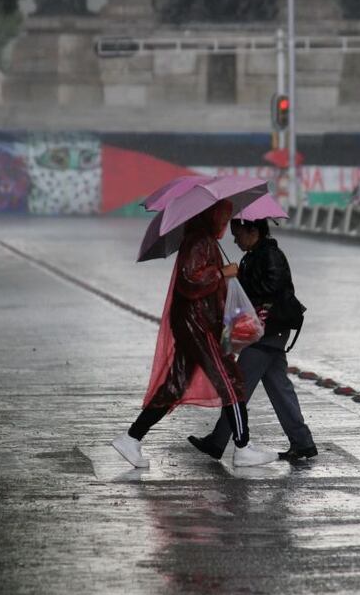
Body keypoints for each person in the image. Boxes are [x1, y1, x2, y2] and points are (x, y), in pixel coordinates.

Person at [113, 200, 278, 469]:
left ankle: (131, 438)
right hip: (199, 324)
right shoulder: (199, 241)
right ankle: (243, 446)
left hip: (194, 323)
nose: (225, 224)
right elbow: (190, 280)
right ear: (210, 215)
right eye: (222, 217)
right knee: (231, 380)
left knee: (175, 384)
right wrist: (221, 273)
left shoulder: (203, 240)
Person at [188, 218, 316, 462]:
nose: (235, 240)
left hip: (268, 331)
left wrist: (240, 278)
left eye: (239, 235)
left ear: (253, 231)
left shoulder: (271, 255)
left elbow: (272, 286)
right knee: (280, 389)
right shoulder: (254, 255)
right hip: (268, 333)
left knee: (237, 386)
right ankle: (302, 442)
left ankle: (217, 441)